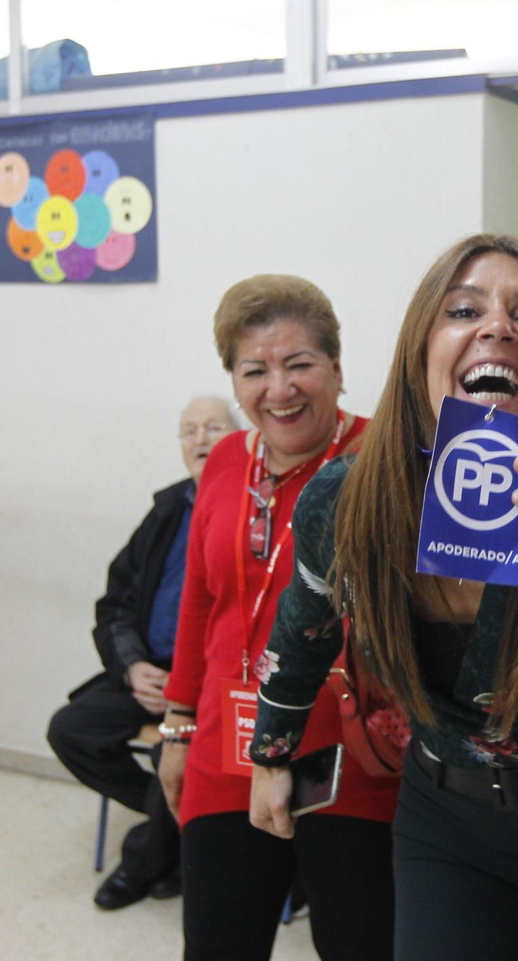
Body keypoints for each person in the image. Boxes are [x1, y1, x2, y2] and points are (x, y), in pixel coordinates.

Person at [248, 235, 518, 960]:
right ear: (421, 352)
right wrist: (271, 754)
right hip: (447, 817)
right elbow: (301, 629)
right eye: (464, 308)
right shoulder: (345, 498)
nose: (498, 326)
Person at [158, 275, 400, 961]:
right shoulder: (227, 460)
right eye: (254, 370)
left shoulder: (381, 462)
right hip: (224, 750)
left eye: (299, 364)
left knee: (360, 944)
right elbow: (201, 600)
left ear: (337, 370)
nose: (279, 388)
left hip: (347, 756)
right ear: (235, 382)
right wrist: (178, 725)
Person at [46, 395, 236, 910]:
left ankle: (143, 861)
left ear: (242, 436)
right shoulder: (168, 509)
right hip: (150, 671)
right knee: (71, 730)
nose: (199, 439)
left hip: (208, 684)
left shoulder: (250, 508)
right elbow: (117, 601)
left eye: (213, 427)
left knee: (175, 756)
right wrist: (133, 667)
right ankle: (172, 828)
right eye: (188, 430)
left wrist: (184, 688)